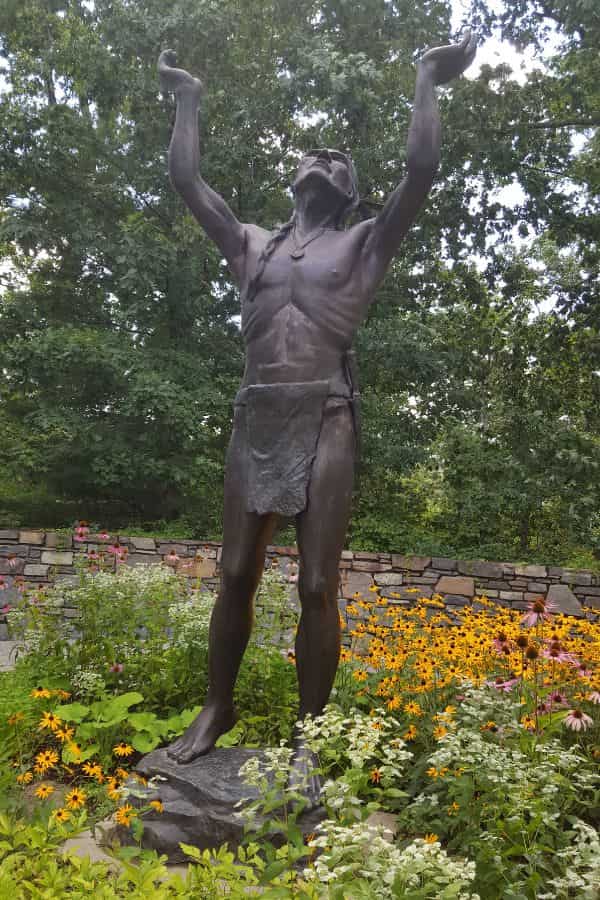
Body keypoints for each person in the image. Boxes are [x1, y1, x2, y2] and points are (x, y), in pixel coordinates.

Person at [158, 33, 477, 790]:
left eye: (337, 158)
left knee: (315, 585)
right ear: (294, 177)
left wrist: (427, 77)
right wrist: (188, 96)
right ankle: (217, 708)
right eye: (313, 153)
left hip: (326, 414)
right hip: (257, 415)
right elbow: (187, 180)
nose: (321, 158)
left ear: (349, 189)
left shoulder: (364, 245)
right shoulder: (251, 246)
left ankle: (308, 738)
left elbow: (422, 170)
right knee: (235, 571)